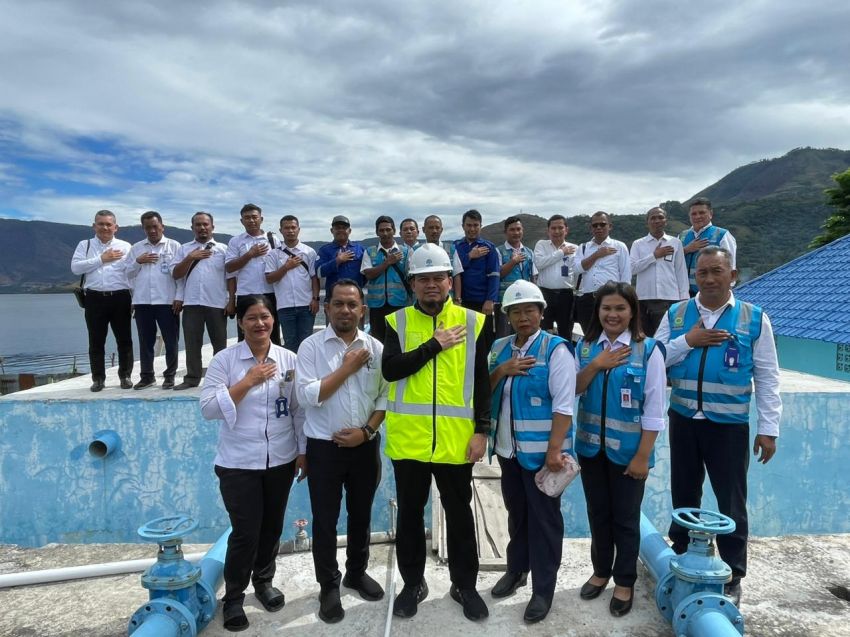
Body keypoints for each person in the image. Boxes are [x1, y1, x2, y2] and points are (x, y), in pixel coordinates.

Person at [655, 246, 781, 607]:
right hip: (683, 419)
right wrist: (687, 341)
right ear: (694, 277)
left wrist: (768, 428)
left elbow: (768, 376)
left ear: (733, 275)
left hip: (728, 426)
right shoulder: (677, 313)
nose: (709, 279)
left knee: (731, 500)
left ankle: (732, 573)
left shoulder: (753, 318)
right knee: (684, 492)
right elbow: (654, 359)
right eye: (702, 273)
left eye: (717, 271)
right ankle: (682, 555)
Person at [382, 243, 491, 622]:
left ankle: (465, 586)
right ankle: (413, 584)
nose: (431, 284)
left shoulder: (474, 322)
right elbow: (391, 369)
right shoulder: (396, 322)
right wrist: (434, 345)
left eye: (438, 278)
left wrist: (482, 431)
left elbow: (481, 382)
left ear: (449, 281)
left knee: (460, 516)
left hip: (455, 440)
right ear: (413, 284)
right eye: (423, 278)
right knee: (410, 516)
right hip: (409, 440)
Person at [199, 295, 306, 632]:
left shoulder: (289, 359)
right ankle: (233, 597)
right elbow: (208, 409)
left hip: (281, 460)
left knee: (272, 526)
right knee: (245, 532)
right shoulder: (225, 360)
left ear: (273, 319)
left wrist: (302, 451)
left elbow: (297, 409)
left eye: (265, 316)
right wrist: (247, 381)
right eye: (252, 318)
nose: (260, 323)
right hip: (238, 462)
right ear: (241, 322)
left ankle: (264, 582)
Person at [295, 279, 388, 623]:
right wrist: (347, 368)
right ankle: (328, 585)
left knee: (361, 514)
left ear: (363, 310)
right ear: (326, 308)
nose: (345, 310)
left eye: (352, 304)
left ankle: (356, 573)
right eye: (338, 304)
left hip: (365, 446)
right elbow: (307, 395)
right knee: (325, 520)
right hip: (324, 449)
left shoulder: (376, 347)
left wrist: (366, 432)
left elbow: (385, 396)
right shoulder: (310, 347)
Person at [574, 281, 666, 618]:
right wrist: (596, 364)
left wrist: (642, 456)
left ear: (632, 312)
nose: (612, 315)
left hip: (629, 454)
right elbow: (572, 388)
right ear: (597, 312)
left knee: (626, 519)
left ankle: (624, 581)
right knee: (598, 513)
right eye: (606, 308)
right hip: (590, 449)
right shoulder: (585, 347)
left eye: (620, 308)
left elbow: (655, 410)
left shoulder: (648, 350)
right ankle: (600, 571)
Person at [487, 280, 575, 624]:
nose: (523, 317)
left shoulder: (556, 350)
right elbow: (483, 390)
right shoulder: (499, 348)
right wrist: (501, 370)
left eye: (529, 310)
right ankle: (516, 570)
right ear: (507, 315)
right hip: (508, 451)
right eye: (516, 312)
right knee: (517, 515)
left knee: (545, 522)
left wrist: (555, 450)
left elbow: (564, 406)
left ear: (541, 312)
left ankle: (543, 590)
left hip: (542, 456)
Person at [70, 209, 134, 392]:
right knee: (96, 341)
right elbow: (75, 268)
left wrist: (135, 298)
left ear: (116, 227)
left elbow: (132, 274)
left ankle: (125, 376)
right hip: (94, 298)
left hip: (121, 297)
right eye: (101, 224)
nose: (105, 227)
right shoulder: (85, 245)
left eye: (108, 224)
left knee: (125, 340)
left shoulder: (125, 246)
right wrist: (101, 259)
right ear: (94, 226)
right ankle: (98, 379)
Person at [171, 211, 236, 390]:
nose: (202, 228)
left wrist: (231, 300)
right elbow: (176, 274)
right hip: (192, 303)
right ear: (192, 227)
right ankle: (192, 378)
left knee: (220, 344)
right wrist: (190, 258)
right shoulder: (184, 249)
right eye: (198, 224)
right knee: (192, 343)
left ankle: (221, 379)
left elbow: (230, 276)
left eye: (205, 224)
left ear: (212, 227)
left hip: (217, 303)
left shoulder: (223, 249)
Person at [124, 211, 182, 390]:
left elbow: (181, 275)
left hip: (167, 301)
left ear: (162, 226)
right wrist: (138, 261)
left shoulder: (174, 246)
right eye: (148, 227)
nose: (152, 230)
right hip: (143, 302)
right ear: (143, 229)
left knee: (171, 341)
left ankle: (170, 376)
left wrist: (179, 297)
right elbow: (127, 274)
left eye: (155, 226)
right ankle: (147, 376)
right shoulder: (137, 248)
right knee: (145, 341)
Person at [225, 203, 282, 345]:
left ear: (261, 219)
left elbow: (279, 265)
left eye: (254, 217)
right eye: (247, 217)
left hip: (270, 294)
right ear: (241, 221)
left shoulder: (273, 240)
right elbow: (229, 268)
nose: (251, 220)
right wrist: (249, 254)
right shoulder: (235, 241)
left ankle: (272, 360)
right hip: (245, 294)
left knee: (272, 335)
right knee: (245, 336)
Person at [629, 207, 689, 336]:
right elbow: (632, 269)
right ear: (647, 222)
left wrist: (684, 298)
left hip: (670, 298)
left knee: (667, 336)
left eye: (660, 217)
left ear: (666, 221)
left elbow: (681, 271)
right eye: (653, 218)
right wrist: (654, 256)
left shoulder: (675, 242)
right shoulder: (638, 244)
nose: (657, 221)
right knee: (646, 337)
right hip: (644, 298)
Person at [265, 214, 319, 354]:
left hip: (306, 305)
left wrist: (315, 299)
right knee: (290, 343)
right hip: (285, 305)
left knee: (307, 342)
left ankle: (307, 368)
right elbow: (269, 278)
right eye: (286, 228)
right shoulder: (273, 254)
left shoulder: (309, 252)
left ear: (298, 229)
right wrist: (286, 267)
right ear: (281, 230)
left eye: (293, 227)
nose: (290, 231)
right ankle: (292, 368)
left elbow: (314, 278)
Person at [573, 211, 631, 335]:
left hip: (612, 298)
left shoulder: (619, 246)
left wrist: (625, 299)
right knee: (590, 336)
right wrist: (597, 255)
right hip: (588, 299)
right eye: (595, 225)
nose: (598, 227)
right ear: (591, 228)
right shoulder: (583, 247)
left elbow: (625, 275)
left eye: (602, 224)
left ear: (610, 226)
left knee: (611, 334)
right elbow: (577, 269)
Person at [453, 209, 499, 352]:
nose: (472, 229)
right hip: (462, 302)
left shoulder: (489, 247)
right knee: (464, 341)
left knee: (484, 341)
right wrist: (469, 256)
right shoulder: (456, 246)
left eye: (475, 225)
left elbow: (494, 275)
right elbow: (454, 270)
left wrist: (490, 299)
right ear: (463, 226)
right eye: (469, 225)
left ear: (480, 226)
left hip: (483, 302)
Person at [361, 216, 411, 342]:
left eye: (388, 229)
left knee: (401, 341)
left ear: (394, 231)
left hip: (400, 303)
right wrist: (387, 262)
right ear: (377, 232)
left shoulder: (405, 252)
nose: (385, 233)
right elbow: (368, 274)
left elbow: (411, 276)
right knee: (378, 341)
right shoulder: (370, 252)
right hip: (377, 305)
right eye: (381, 230)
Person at [679, 197, 737, 297]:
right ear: (689, 216)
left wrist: (728, 290)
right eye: (694, 214)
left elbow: (731, 264)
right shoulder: (682, 236)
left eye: (702, 213)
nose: (698, 216)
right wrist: (686, 249)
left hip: (712, 292)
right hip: (684, 294)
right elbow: (672, 262)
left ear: (710, 214)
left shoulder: (722, 234)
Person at [533, 214, 578, 341]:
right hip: (545, 294)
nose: (557, 231)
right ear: (548, 231)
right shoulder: (541, 245)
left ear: (566, 230)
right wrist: (562, 252)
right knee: (543, 331)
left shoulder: (575, 248)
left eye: (560, 228)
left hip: (566, 295)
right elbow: (539, 263)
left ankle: (566, 353)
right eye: (553, 228)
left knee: (566, 331)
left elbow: (578, 271)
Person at [495, 216, 537, 338]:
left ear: (522, 231)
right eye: (512, 230)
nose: (516, 232)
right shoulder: (498, 251)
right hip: (505, 301)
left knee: (525, 334)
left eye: (518, 229)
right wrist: (513, 262)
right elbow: (498, 274)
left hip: (525, 300)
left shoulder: (529, 252)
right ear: (505, 232)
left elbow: (533, 277)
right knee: (504, 335)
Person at [316, 215, 366, 299]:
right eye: (337, 228)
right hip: (333, 298)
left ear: (349, 231)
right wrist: (337, 260)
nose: (341, 230)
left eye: (344, 228)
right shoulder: (324, 250)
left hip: (355, 298)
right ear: (332, 231)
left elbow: (366, 273)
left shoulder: (360, 249)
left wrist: (358, 286)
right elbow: (318, 273)